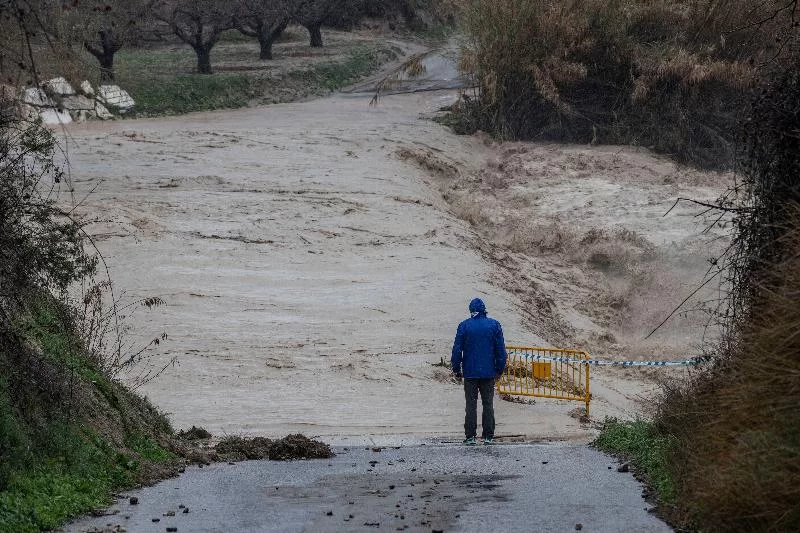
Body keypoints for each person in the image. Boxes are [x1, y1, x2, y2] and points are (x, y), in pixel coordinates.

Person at [451, 298, 507, 445]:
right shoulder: (494, 325)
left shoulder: (464, 326)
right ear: (484, 309)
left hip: (470, 372)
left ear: (471, 311)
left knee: (471, 404)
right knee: (488, 404)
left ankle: (470, 436)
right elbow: (501, 351)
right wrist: (500, 369)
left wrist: (456, 369)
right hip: (489, 372)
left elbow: (457, 349)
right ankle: (488, 436)